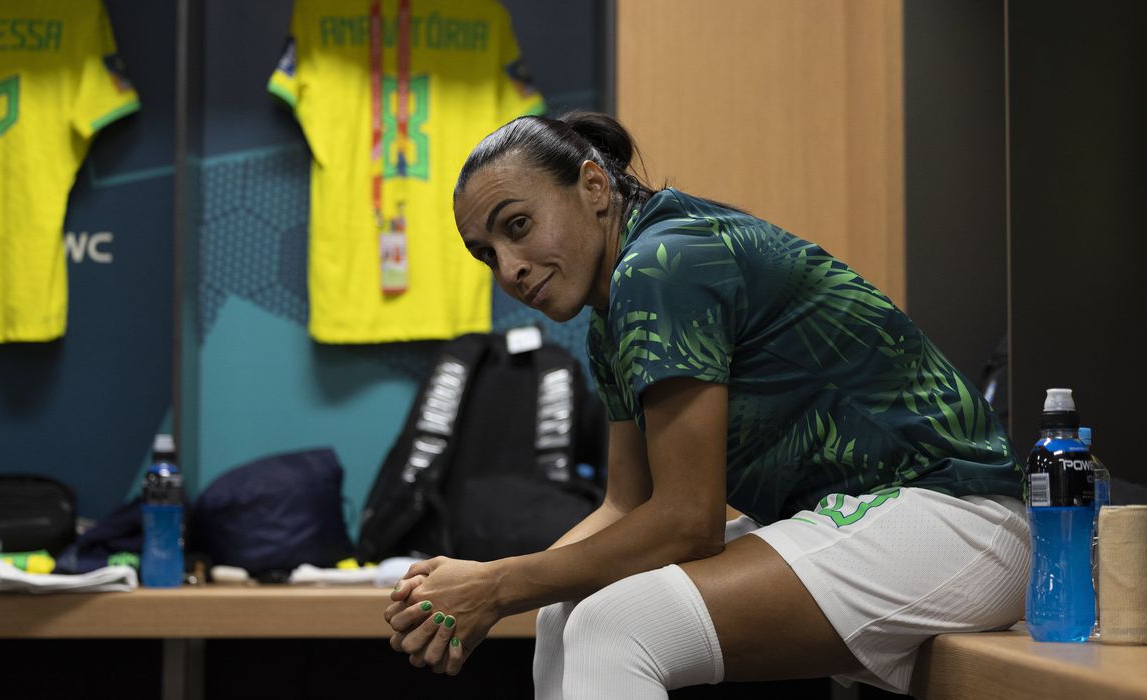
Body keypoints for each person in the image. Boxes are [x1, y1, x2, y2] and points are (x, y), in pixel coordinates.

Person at [383, 111, 1028, 697]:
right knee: (566, 610)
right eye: (487, 254)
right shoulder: (610, 318)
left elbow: (689, 519)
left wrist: (495, 587)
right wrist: (488, 582)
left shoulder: (663, 263)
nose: (510, 268)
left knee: (615, 626)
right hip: (861, 520)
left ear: (594, 187)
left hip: (962, 520)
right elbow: (626, 505)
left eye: (518, 226)